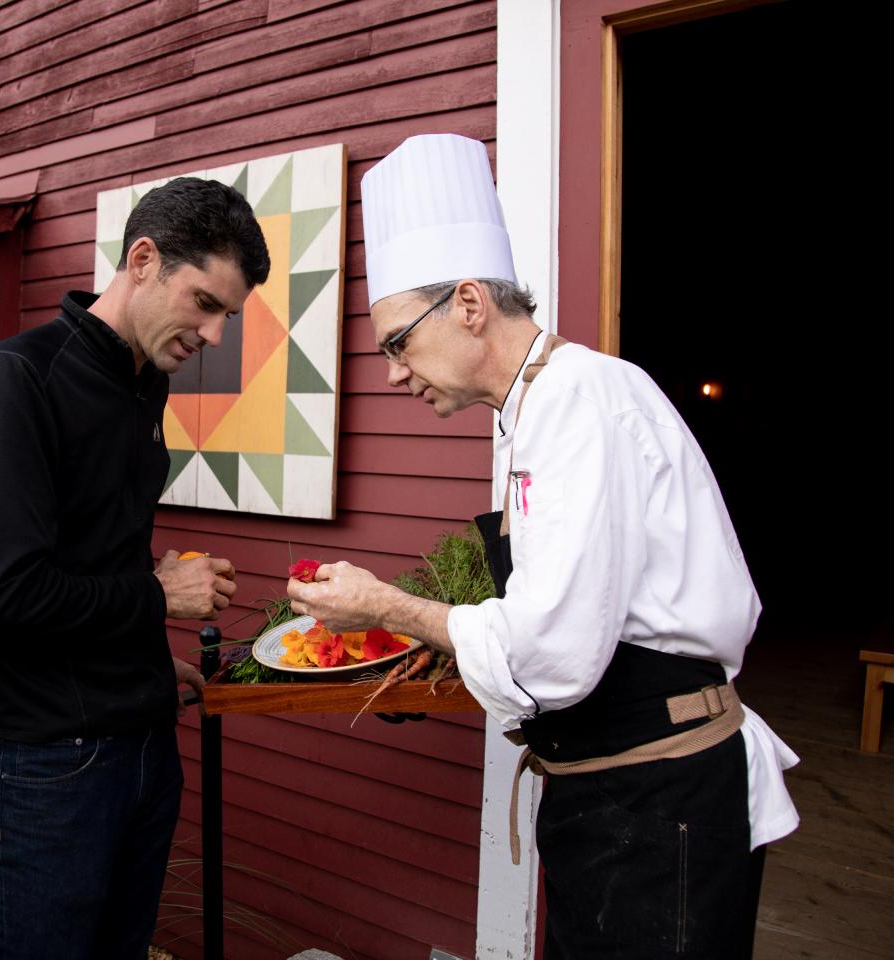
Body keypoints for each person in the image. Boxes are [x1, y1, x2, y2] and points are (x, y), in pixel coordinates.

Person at [286, 133, 798, 959]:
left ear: (467, 303)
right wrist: (437, 641)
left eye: (396, 342)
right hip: (610, 795)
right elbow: (555, 609)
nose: (391, 371)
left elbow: (556, 650)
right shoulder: (529, 408)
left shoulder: (578, 402)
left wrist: (388, 606)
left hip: (657, 799)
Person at [0, 176, 270, 959]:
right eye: (205, 303)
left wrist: (146, 661)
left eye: (228, 314)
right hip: (45, 770)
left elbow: (90, 564)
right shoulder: (17, 379)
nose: (216, 334)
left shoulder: (142, 384)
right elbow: (5, 598)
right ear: (143, 258)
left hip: (142, 744)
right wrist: (158, 595)